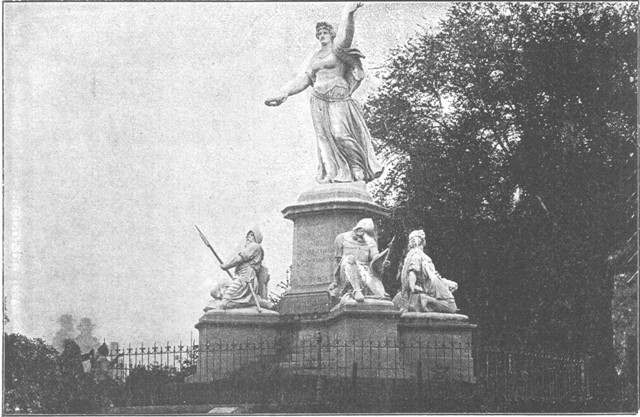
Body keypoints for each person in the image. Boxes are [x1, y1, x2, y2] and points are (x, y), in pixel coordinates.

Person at [265, 2, 383, 184]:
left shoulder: (338, 50)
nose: (321, 36)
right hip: (318, 100)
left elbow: (347, 34)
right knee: (324, 140)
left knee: (339, 134)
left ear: (331, 34)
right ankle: (332, 173)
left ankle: (357, 167)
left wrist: (349, 12)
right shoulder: (314, 57)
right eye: (319, 34)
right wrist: (284, 93)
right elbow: (304, 80)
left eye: (324, 33)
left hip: (338, 97)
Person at [392, 230, 458, 313]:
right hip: (432, 288)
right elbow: (412, 272)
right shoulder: (417, 255)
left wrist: (448, 283)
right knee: (451, 307)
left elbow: (430, 275)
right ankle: (425, 299)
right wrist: (413, 288)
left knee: (451, 306)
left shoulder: (415, 255)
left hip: (433, 285)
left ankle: (427, 300)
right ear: (422, 241)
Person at [329, 218, 389, 303]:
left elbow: (375, 259)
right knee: (350, 258)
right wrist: (335, 281)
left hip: (365, 272)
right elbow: (337, 261)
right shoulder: (341, 238)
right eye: (361, 232)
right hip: (346, 271)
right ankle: (357, 290)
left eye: (366, 234)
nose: (362, 236)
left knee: (381, 296)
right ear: (357, 229)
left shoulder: (370, 241)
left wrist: (382, 264)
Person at [219, 227, 274, 310]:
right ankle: (253, 301)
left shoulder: (255, 246)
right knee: (215, 291)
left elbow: (240, 258)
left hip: (246, 278)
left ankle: (249, 302)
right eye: (248, 235)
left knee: (224, 303)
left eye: (252, 235)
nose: (248, 237)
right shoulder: (250, 248)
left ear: (256, 238)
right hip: (240, 277)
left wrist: (226, 266)